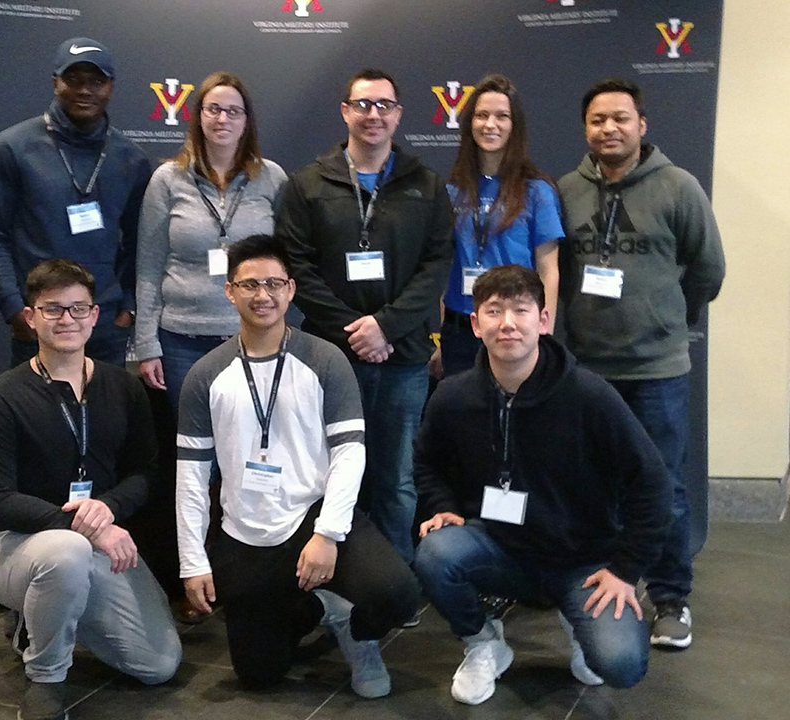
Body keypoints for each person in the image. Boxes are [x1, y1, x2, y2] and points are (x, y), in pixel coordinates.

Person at [413, 265, 671, 705]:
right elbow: (426, 461)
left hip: (582, 562)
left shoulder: (589, 396)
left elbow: (652, 482)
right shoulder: (453, 397)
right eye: (494, 311)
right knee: (436, 552)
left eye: (520, 310)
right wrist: (442, 504)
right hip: (501, 549)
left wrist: (626, 570)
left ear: (544, 321)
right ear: (475, 325)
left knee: (621, 665)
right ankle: (483, 643)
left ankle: (580, 627)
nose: (508, 323)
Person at [176, 234, 419, 696]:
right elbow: (190, 475)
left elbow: (350, 453)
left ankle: (355, 631)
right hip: (244, 530)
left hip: (313, 514)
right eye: (249, 285)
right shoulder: (206, 375)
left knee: (397, 594)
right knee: (260, 676)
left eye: (274, 283)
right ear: (229, 291)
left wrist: (327, 534)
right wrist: (193, 560)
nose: (262, 295)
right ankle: (320, 605)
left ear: (291, 289)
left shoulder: (326, 360)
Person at [0, 259, 181, 720]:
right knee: (66, 553)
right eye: (53, 310)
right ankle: (46, 678)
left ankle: (45, 613)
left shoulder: (122, 388)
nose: (67, 320)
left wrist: (107, 507)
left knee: (159, 665)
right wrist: (84, 527)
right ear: (31, 317)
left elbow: (147, 472)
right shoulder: (3, 397)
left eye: (78, 309)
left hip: (94, 541)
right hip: (12, 546)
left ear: (95, 315)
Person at [557, 78, 725, 650]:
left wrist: (667, 317)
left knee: (665, 489)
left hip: (657, 370)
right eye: (598, 120)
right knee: (594, 488)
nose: (609, 129)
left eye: (621, 119)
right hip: (587, 370)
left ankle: (671, 596)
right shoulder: (565, 191)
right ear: (586, 129)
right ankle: (600, 590)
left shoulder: (679, 187)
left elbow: (709, 270)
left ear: (641, 125)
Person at [275, 68, 454, 566]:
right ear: (345, 111)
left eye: (383, 105)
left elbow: (437, 265)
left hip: (404, 356)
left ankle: (394, 579)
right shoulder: (307, 184)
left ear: (397, 114)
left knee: (396, 479)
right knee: (328, 472)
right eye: (362, 104)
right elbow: (296, 266)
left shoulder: (425, 184)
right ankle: (339, 577)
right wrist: (355, 330)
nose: (372, 114)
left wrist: (386, 326)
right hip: (332, 355)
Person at [0, 37, 152, 367]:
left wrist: (128, 309)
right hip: (39, 322)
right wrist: (15, 309)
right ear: (55, 83)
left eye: (96, 81)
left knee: (105, 418)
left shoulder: (131, 158)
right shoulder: (14, 147)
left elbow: (139, 243)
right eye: (74, 79)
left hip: (103, 323)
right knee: (37, 418)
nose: (85, 90)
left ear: (111, 87)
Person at [136, 71, 288, 416]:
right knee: (194, 445)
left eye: (233, 111)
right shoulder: (167, 180)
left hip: (256, 336)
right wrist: (147, 343)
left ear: (246, 120)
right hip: (181, 342)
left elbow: (288, 260)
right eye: (213, 109)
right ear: (198, 116)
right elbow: (148, 265)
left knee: (253, 442)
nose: (223, 119)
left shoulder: (272, 179)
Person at [432, 74, 563, 378]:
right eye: (481, 115)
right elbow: (445, 268)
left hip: (514, 331)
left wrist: (544, 335)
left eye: (501, 116)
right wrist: (441, 339)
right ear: (470, 123)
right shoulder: (452, 192)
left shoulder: (536, 191)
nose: (490, 124)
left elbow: (549, 270)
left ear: (514, 125)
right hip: (461, 329)